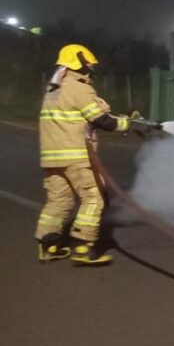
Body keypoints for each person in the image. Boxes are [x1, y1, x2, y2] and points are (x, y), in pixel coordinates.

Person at [35, 44, 156, 265]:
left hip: (51, 157)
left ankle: (48, 245)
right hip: (76, 155)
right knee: (95, 197)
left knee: (58, 201)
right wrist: (132, 124)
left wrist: (126, 119)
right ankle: (82, 246)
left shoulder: (53, 90)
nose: (92, 68)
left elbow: (87, 117)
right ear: (78, 62)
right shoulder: (79, 89)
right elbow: (104, 121)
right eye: (89, 63)